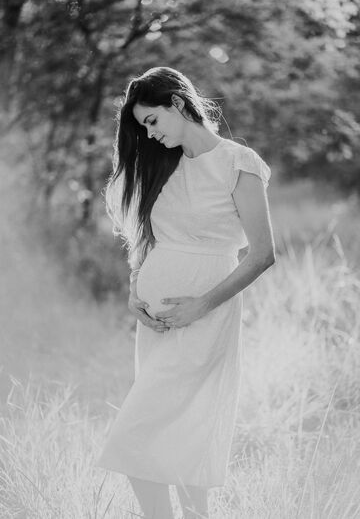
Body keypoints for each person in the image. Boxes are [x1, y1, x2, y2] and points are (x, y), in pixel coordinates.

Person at [95, 66, 276, 519]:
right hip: (155, 326)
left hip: (207, 315)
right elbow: (148, 239)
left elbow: (262, 254)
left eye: (152, 120)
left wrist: (200, 306)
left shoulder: (238, 162)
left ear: (177, 103)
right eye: (142, 128)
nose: (149, 135)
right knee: (159, 437)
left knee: (149, 434)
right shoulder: (164, 165)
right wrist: (136, 290)